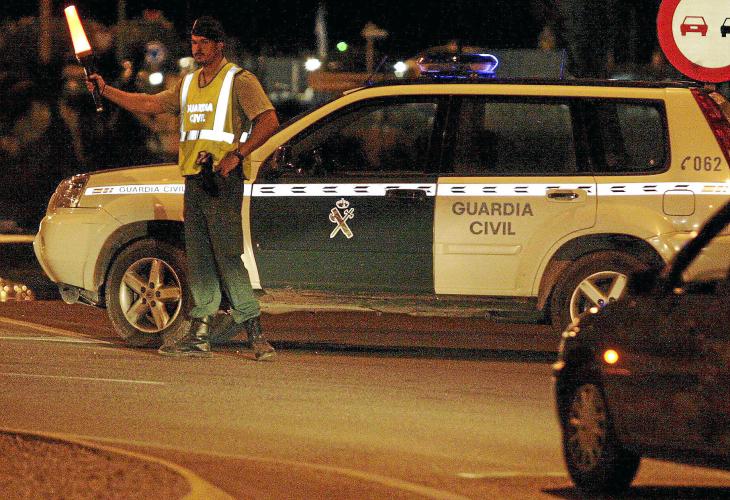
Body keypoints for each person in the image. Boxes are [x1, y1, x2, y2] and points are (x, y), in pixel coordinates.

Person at [87, 16, 279, 360]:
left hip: (222, 181)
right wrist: (106, 91)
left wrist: (237, 155)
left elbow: (269, 121)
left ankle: (255, 333)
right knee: (200, 259)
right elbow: (149, 103)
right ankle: (199, 335)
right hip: (194, 181)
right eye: (193, 42)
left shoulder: (239, 80)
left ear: (219, 45)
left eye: (204, 42)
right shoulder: (188, 84)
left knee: (227, 256)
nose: (197, 48)